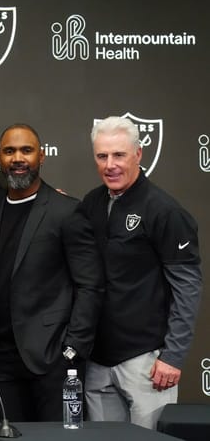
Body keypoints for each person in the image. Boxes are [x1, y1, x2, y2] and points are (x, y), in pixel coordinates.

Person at [0, 124, 104, 422]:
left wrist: (72, 350)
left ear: (41, 157)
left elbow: (90, 286)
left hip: (53, 359)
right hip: (0, 361)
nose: (18, 158)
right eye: (9, 151)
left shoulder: (66, 211)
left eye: (26, 150)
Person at [79, 116, 202, 429]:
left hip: (146, 362)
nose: (110, 165)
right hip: (96, 359)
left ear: (138, 154)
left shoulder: (164, 210)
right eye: (102, 156)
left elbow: (187, 288)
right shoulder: (91, 203)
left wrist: (173, 356)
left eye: (119, 155)